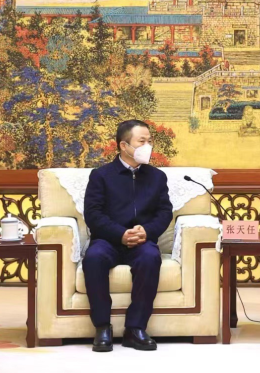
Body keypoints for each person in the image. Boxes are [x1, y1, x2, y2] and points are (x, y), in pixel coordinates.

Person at [82, 119, 173, 353]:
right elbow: (93, 214)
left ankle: (135, 328)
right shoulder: (101, 175)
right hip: (108, 240)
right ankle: (102, 326)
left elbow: (165, 212)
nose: (148, 146)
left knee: (150, 257)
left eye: (150, 141)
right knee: (94, 258)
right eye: (142, 141)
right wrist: (120, 234)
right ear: (124, 145)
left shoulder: (157, 177)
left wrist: (147, 231)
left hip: (143, 241)